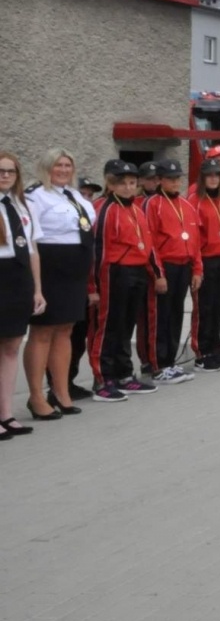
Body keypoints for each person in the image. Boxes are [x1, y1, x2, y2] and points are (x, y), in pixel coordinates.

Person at [24, 148, 96, 413]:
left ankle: (61, 391)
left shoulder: (75, 195)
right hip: (50, 267)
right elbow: (32, 237)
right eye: (58, 165)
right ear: (46, 167)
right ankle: (36, 396)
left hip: (75, 271)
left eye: (68, 165)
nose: (64, 170)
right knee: (43, 332)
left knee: (66, 330)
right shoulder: (35, 196)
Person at [87, 159, 163, 398]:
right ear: (110, 185)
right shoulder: (107, 210)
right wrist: (94, 285)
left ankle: (124, 374)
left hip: (138, 270)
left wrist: (155, 272)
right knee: (109, 325)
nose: (129, 188)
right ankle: (103, 379)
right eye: (123, 184)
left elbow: (148, 243)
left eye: (132, 183)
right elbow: (97, 249)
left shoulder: (136, 208)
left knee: (127, 325)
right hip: (114, 271)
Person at [1, 150, 46, 440]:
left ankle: (5, 413)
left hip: (18, 279)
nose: (5, 175)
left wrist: (37, 289)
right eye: (0, 170)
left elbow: (32, 249)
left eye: (11, 171)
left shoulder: (21, 205)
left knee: (11, 348)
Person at [143, 159, 200, 383]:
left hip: (184, 265)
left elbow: (195, 241)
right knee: (160, 316)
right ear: (160, 181)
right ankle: (157, 365)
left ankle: (170, 362)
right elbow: (150, 243)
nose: (175, 183)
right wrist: (158, 274)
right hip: (164, 266)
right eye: (170, 179)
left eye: (178, 179)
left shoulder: (186, 206)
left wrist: (197, 269)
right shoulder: (152, 204)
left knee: (176, 314)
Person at [189, 158, 220, 371]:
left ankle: (214, 345)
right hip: (206, 259)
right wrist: (197, 267)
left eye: (216, 175)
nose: (213, 179)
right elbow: (193, 237)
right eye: (209, 175)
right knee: (204, 308)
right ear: (202, 178)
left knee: (219, 307)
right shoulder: (194, 201)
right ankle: (202, 351)